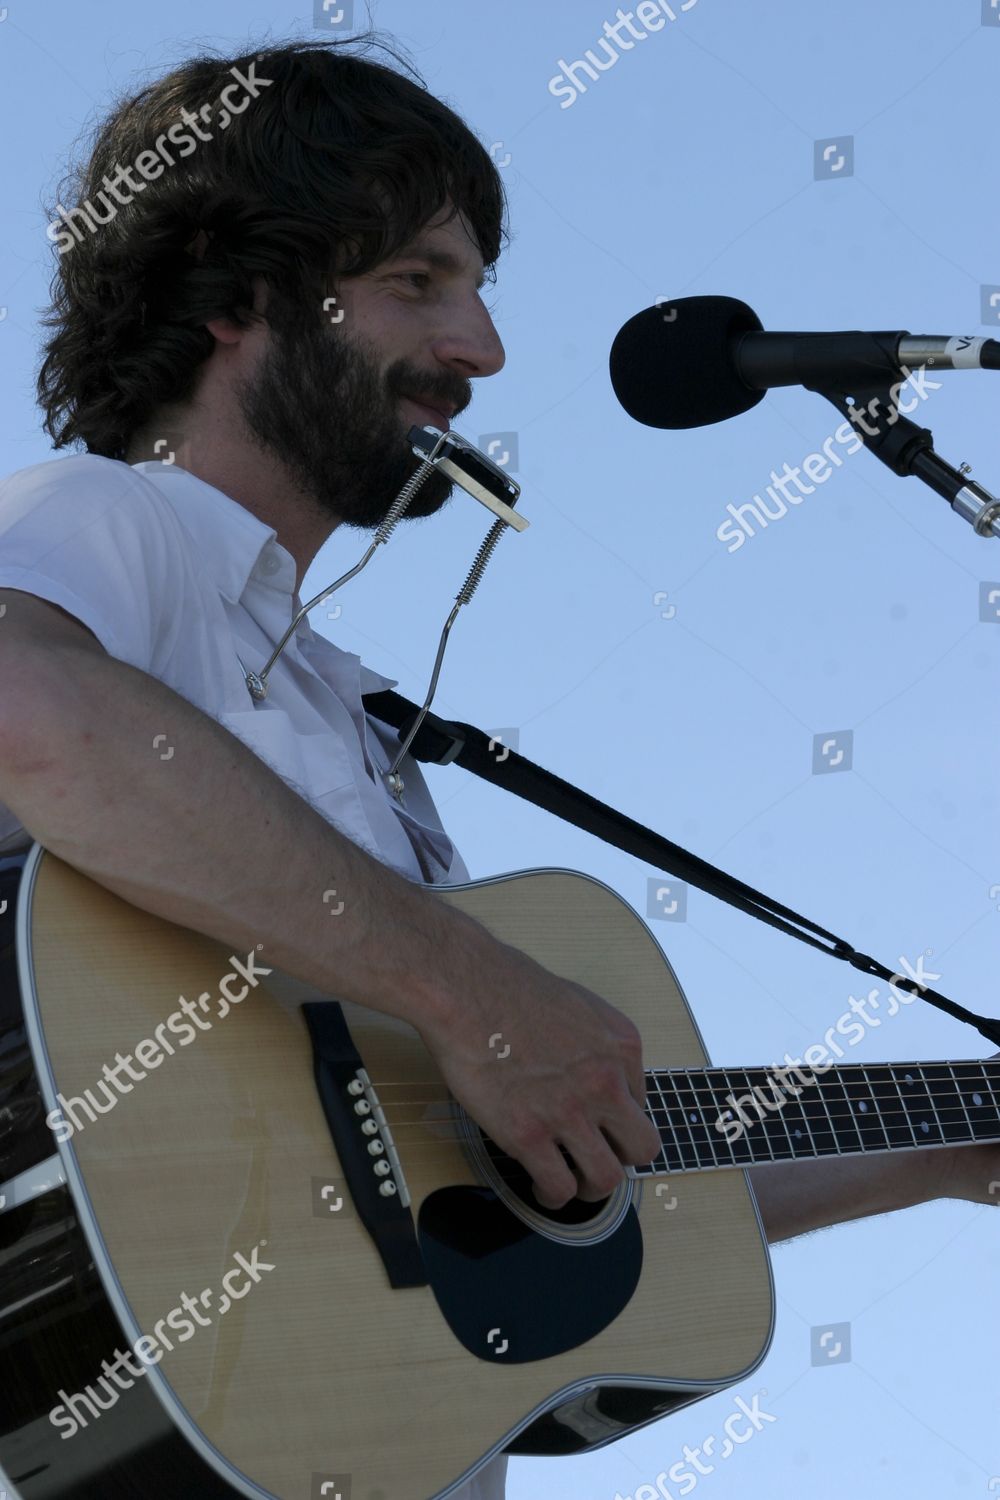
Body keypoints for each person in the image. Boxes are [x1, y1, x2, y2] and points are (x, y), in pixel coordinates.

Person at [0, 31, 994, 1500]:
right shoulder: (111, 518)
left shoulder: (351, 718)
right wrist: (473, 991)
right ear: (241, 294)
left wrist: (961, 1144)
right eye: (420, 283)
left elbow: (574, 1163)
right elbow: (22, 703)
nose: (482, 351)